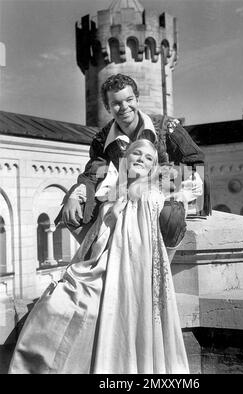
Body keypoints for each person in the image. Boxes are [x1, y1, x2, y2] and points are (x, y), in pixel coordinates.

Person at [9, 139, 190, 374]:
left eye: (148, 158)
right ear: (126, 160)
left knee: (75, 309)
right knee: (55, 305)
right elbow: (96, 236)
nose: (141, 160)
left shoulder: (150, 197)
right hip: (102, 265)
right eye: (136, 154)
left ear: (153, 167)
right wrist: (78, 195)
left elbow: (147, 248)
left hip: (126, 277)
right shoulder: (115, 192)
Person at [57, 74, 211, 254]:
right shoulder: (103, 138)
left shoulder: (165, 126)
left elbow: (195, 160)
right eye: (116, 103)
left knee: (170, 218)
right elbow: (94, 173)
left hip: (167, 191)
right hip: (129, 195)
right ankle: (104, 261)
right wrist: (75, 196)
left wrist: (164, 181)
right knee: (72, 214)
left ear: (137, 99)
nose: (124, 107)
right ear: (107, 107)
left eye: (129, 99)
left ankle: (161, 274)